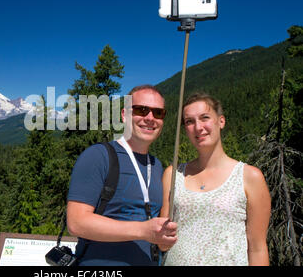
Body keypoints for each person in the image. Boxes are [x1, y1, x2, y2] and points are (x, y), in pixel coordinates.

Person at [67, 84, 178, 266]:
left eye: (158, 113)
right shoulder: (98, 156)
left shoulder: (157, 166)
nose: (150, 118)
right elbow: (76, 222)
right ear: (125, 115)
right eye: (141, 110)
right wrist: (142, 230)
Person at [159, 92, 271, 266]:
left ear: (221, 121)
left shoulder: (249, 177)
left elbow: (257, 248)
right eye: (189, 121)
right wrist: (162, 237)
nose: (198, 127)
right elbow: (162, 244)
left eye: (205, 118)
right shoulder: (173, 175)